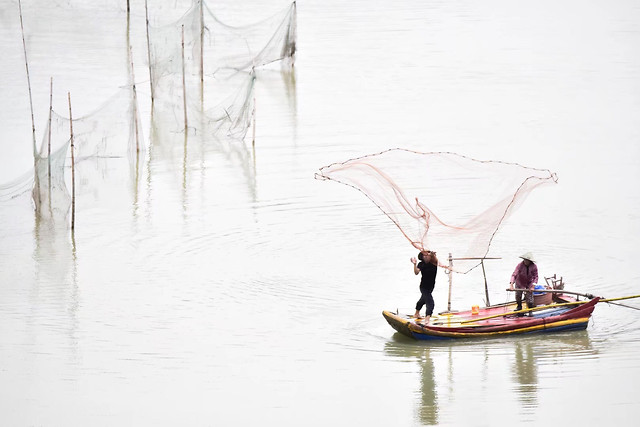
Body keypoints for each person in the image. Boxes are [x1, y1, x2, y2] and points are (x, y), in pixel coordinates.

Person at [410, 250, 438, 322]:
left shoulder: (434, 263)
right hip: (423, 287)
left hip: (431, 287)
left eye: (427, 255)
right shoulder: (421, 264)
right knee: (430, 303)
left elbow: (434, 258)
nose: (426, 257)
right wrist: (414, 264)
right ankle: (427, 319)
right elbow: (416, 272)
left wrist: (432, 254)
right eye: (424, 256)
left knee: (423, 300)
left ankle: (416, 314)